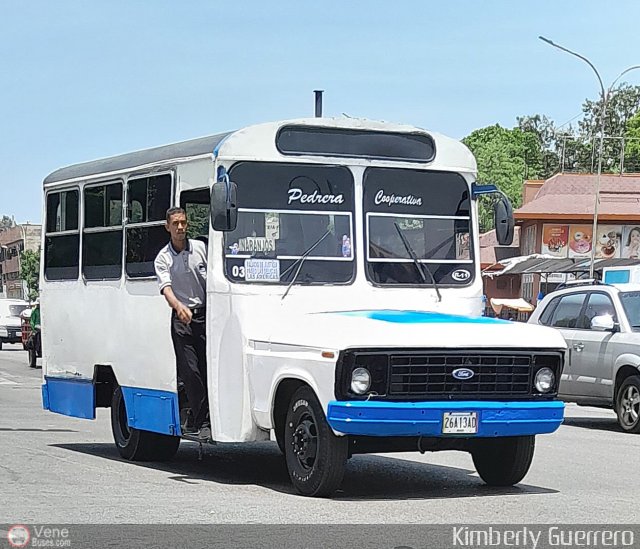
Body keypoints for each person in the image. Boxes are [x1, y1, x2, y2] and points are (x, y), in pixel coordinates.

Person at [154, 207, 209, 438]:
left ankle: (211, 418)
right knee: (191, 371)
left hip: (206, 315)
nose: (180, 227)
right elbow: (166, 288)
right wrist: (179, 307)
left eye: (183, 223)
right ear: (167, 227)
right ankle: (202, 422)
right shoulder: (163, 258)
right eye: (175, 223)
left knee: (209, 369)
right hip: (181, 319)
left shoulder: (201, 249)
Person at [28, 301, 41, 369]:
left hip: (44, 327)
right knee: (36, 338)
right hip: (37, 327)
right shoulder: (34, 311)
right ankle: (36, 349)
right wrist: (33, 329)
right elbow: (32, 321)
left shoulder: (45, 310)